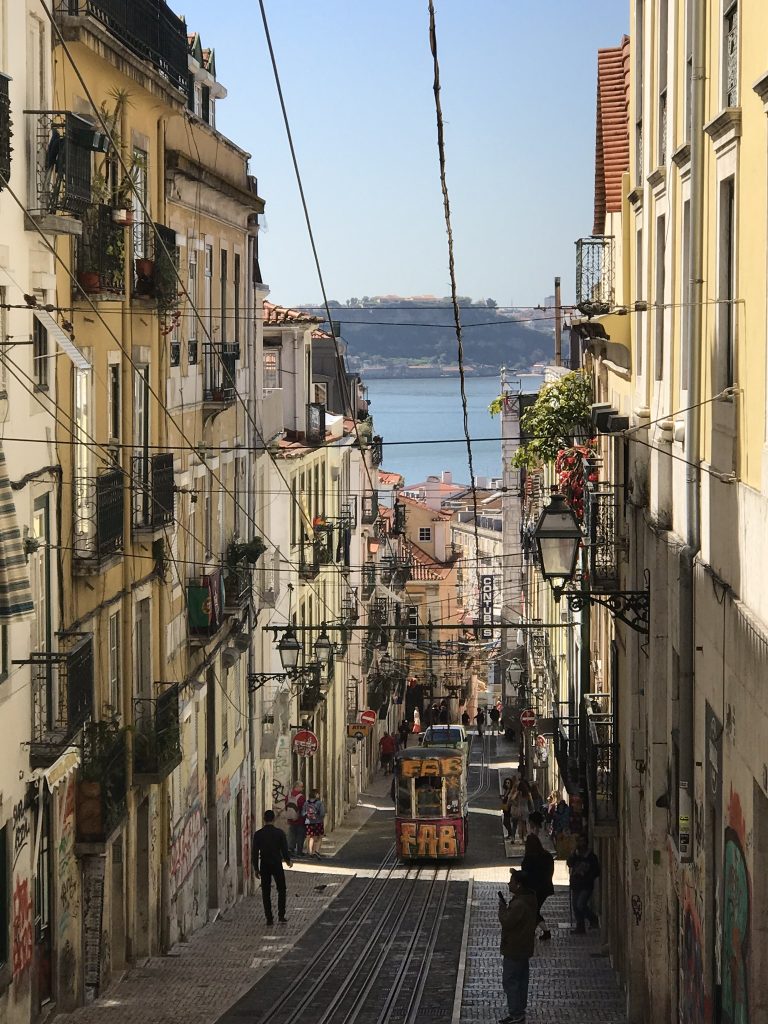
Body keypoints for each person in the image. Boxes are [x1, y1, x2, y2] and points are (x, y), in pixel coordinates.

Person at [498, 869, 538, 1024]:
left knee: (510, 980)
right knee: (521, 980)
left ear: (519, 885)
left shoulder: (519, 904)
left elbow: (507, 922)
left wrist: (502, 908)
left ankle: (516, 1013)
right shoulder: (529, 898)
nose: (509, 883)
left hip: (514, 947)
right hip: (524, 946)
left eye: (512, 881)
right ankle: (519, 1011)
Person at [252, 809, 292, 925]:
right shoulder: (279, 833)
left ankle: (269, 918)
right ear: (274, 819)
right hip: (276, 864)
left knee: (266, 891)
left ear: (264, 819)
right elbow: (284, 849)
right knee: (282, 889)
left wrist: (256, 868)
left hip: (264, 864)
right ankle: (281, 915)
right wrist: (288, 860)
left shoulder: (258, 834)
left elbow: (255, 852)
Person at [521, 834, 555, 941]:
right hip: (545, 888)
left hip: (534, 889)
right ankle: (532, 930)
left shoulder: (530, 857)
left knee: (533, 910)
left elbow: (526, 873)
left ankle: (546, 931)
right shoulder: (547, 856)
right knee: (534, 909)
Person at [567, 834, 600, 933]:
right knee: (575, 907)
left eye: (583, 841)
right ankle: (580, 926)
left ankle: (593, 919)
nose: (581, 844)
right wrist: (573, 854)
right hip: (576, 884)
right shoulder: (575, 855)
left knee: (580, 904)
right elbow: (569, 863)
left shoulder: (591, 857)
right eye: (579, 842)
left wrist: (588, 878)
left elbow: (596, 871)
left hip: (586, 885)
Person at [284, 781, 306, 856]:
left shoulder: (288, 796)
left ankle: (291, 849)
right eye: (301, 786)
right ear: (297, 786)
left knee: (291, 834)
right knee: (300, 835)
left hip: (290, 819)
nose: (302, 788)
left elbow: (286, 805)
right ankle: (299, 851)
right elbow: (303, 808)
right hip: (299, 820)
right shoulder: (301, 797)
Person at [303, 789, 327, 857]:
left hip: (308, 822)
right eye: (318, 793)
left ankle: (310, 852)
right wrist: (320, 818)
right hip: (318, 822)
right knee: (319, 837)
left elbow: (303, 813)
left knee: (311, 837)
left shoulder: (306, 803)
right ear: (316, 795)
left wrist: (308, 817)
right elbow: (322, 813)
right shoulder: (319, 803)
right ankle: (316, 851)